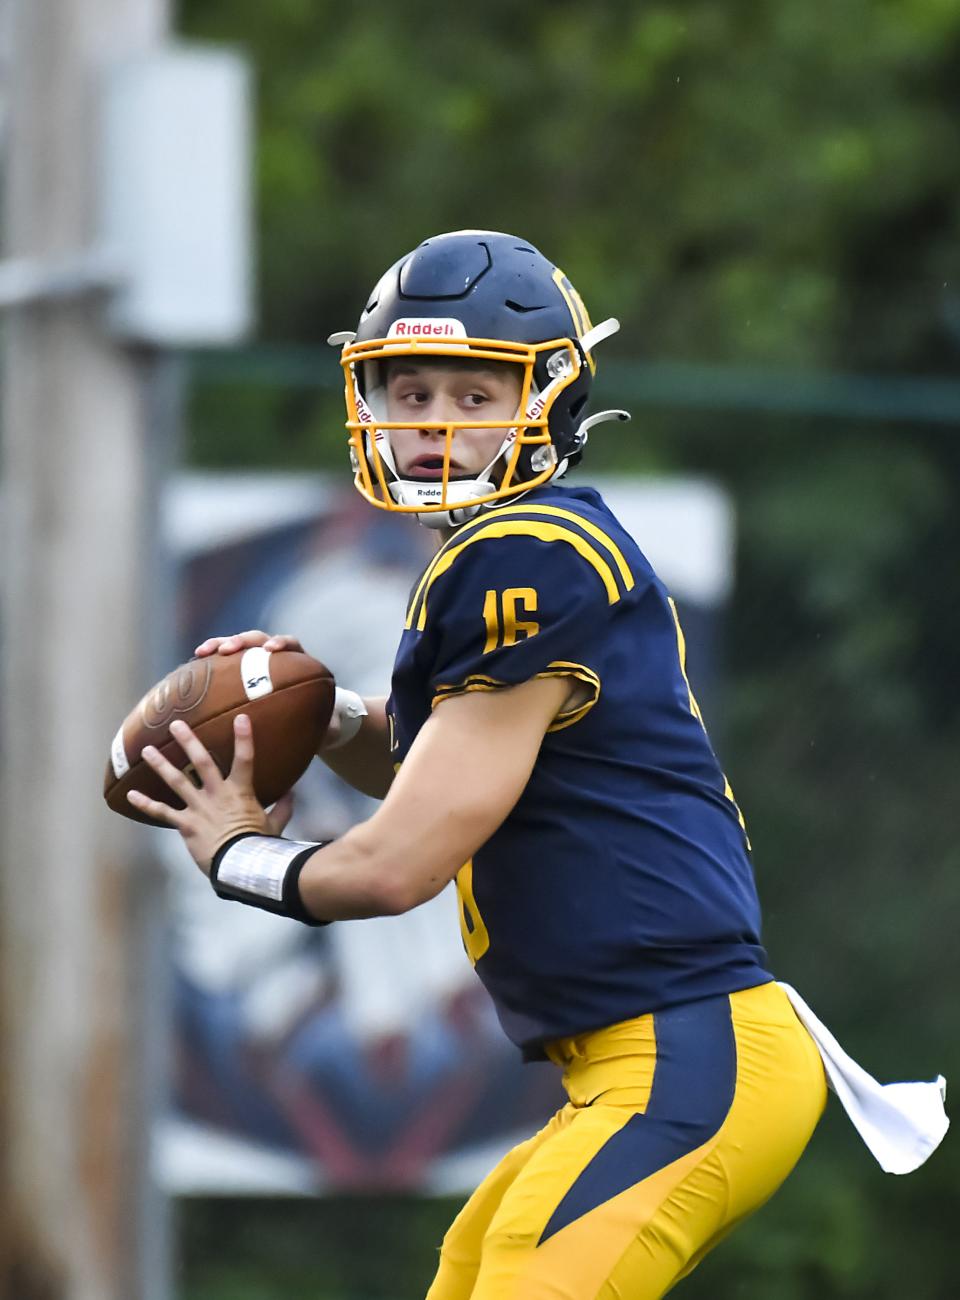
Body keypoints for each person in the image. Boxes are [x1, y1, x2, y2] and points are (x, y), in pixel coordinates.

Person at [127, 231, 942, 1297]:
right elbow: (440, 778)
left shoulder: (523, 558)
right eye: (407, 389)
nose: (431, 423)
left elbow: (392, 867)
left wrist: (235, 853)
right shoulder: (510, 549)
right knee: (471, 1269)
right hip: (638, 1069)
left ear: (550, 398)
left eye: (473, 394)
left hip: (685, 1062)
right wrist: (328, 718)